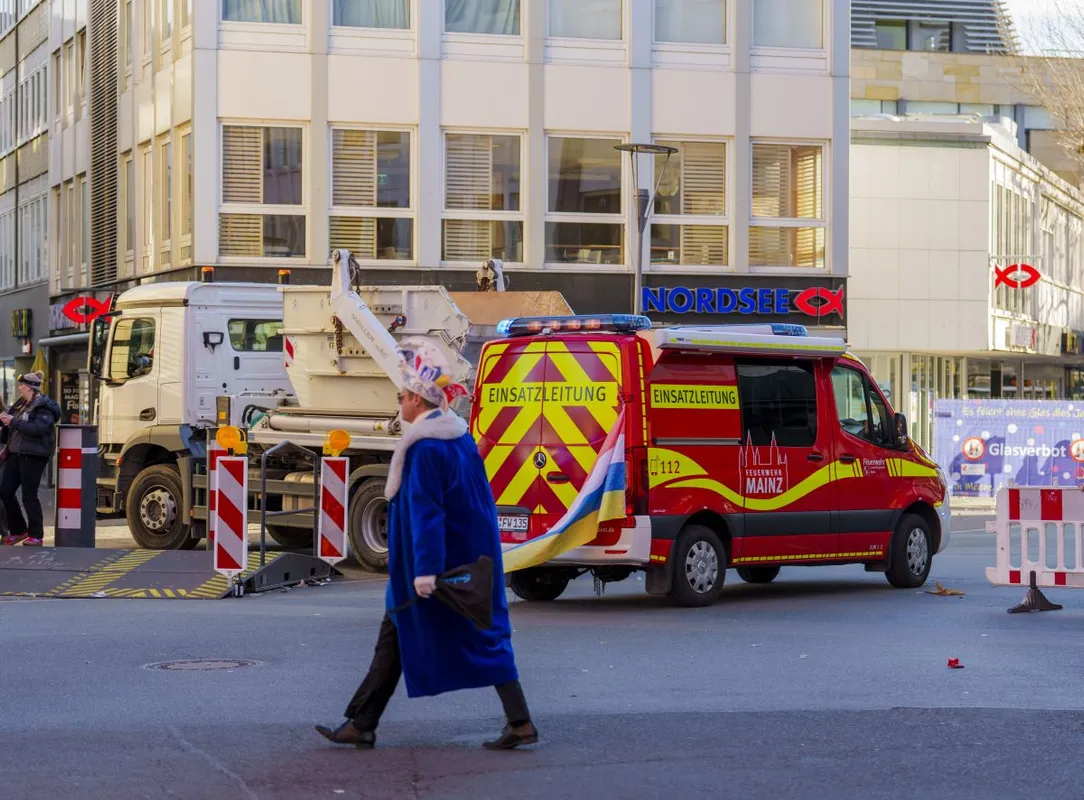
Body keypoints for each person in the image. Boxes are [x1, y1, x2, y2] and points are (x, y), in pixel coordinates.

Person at [316, 339, 537, 751]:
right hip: (467, 561)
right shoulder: (457, 439)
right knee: (468, 637)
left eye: (402, 396)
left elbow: (427, 513)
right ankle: (361, 722)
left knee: (454, 637)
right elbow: (475, 502)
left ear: (418, 400)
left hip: (433, 571)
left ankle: (363, 724)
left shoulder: (426, 448)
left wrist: (424, 572)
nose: (398, 402)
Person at [0, 372, 60, 546]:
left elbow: (38, 429)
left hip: (34, 455)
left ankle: (36, 535)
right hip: (16, 453)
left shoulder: (43, 406)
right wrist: (5, 421)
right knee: (4, 491)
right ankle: (19, 530)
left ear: (29, 387)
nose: (19, 388)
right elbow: (13, 423)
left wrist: (12, 421)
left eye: (22, 386)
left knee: (29, 495)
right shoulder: (21, 404)